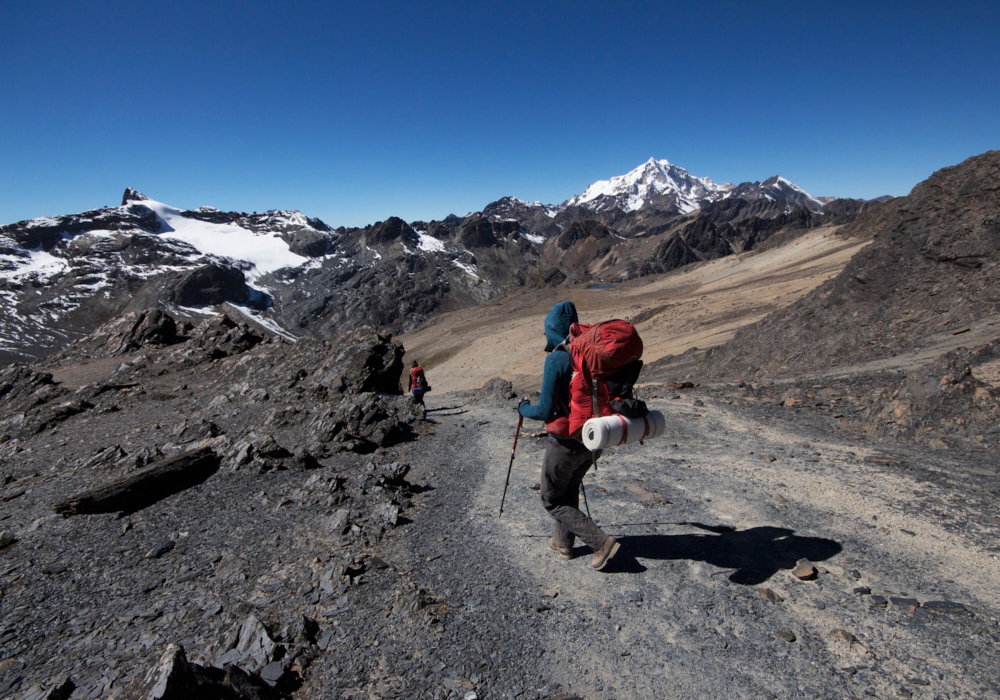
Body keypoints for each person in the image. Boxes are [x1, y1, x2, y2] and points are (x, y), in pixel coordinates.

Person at [517, 301, 620, 571]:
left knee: (551, 499)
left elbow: (544, 410)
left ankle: (600, 543)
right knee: (569, 488)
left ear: (552, 328)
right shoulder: (587, 353)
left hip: (565, 442)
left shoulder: (556, 358)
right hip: (594, 438)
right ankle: (562, 543)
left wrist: (522, 408)